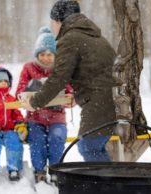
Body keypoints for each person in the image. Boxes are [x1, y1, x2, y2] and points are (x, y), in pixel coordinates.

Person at [22, 0, 117, 162]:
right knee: (94, 146)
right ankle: (109, 183)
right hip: (113, 99)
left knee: (88, 145)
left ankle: (107, 186)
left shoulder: (70, 40)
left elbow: (58, 78)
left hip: (98, 102)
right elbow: (90, 70)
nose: (52, 27)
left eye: (52, 22)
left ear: (58, 21)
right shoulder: (97, 37)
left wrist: (35, 102)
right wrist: (78, 94)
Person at [15, 26, 74, 182]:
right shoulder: (28, 68)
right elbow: (19, 92)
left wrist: (71, 98)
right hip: (35, 117)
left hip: (57, 116)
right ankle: (39, 171)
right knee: (37, 141)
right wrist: (29, 93)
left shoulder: (61, 69)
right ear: (37, 55)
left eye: (50, 54)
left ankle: (55, 171)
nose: (46, 58)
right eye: (42, 54)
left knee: (57, 139)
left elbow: (71, 91)